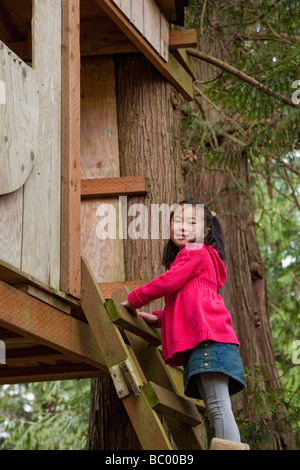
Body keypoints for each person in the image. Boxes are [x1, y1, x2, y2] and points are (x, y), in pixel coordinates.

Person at [121, 200, 246, 445]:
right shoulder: (199, 260)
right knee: (216, 407)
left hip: (210, 342)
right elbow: (191, 305)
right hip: (213, 341)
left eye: (191, 222)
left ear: (205, 232)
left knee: (218, 408)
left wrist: (135, 299)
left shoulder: (195, 251)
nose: (182, 227)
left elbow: (168, 281)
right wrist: (158, 318)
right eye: (177, 221)